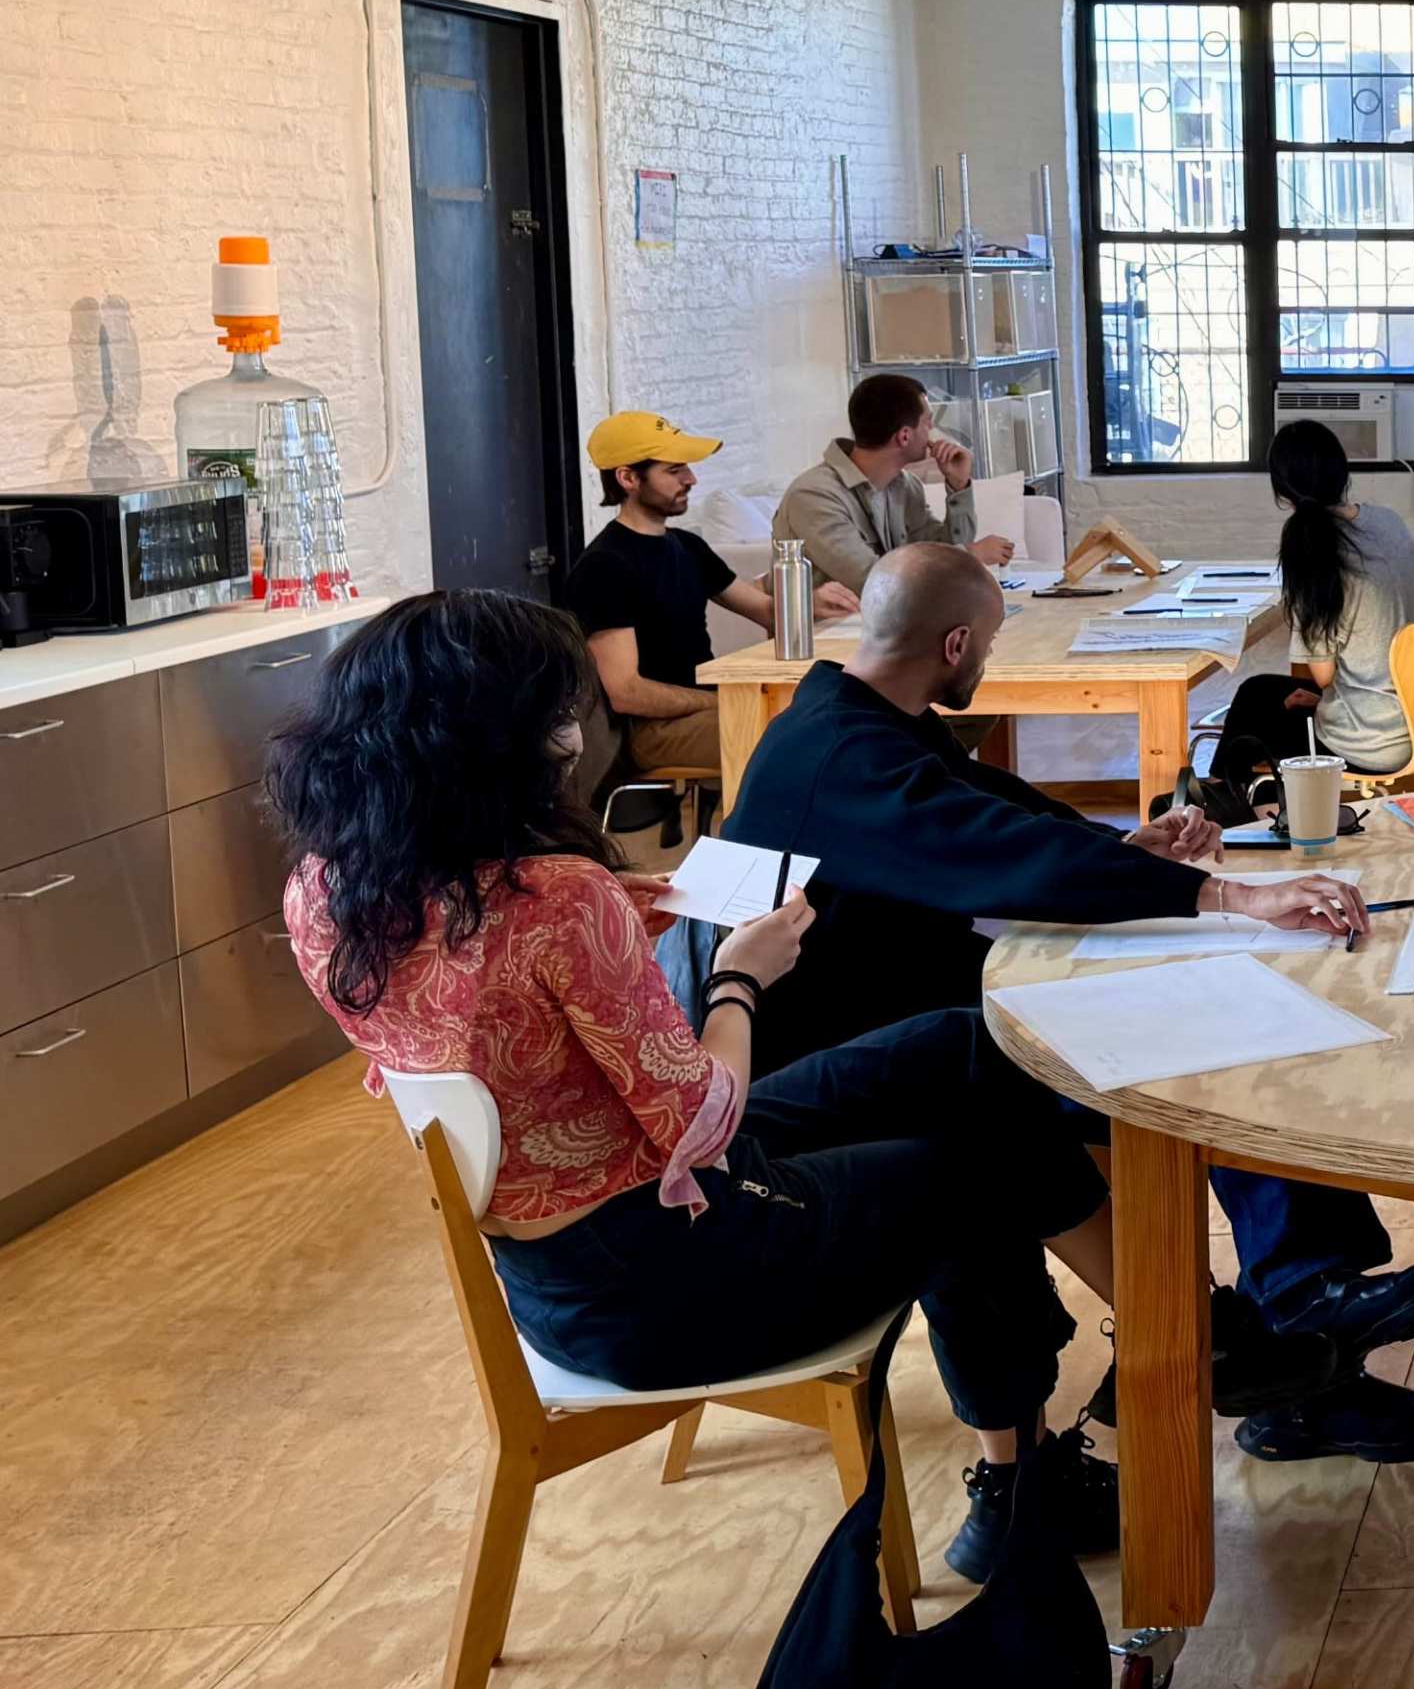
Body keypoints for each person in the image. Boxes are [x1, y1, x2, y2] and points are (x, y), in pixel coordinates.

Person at [264, 590, 1275, 1583]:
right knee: (972, 1160)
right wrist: (739, 977)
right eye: (556, 713)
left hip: (563, 1277)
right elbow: (703, 1120)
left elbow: (495, 983)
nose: (573, 735)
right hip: (681, 1267)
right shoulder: (559, 902)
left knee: (965, 1050)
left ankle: (1187, 1341)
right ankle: (1054, 1455)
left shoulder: (330, 892)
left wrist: (638, 907)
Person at [722, 545, 1414, 1465]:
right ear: (955, 643)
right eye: (989, 641)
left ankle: (1300, 1322)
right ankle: (1287, 1324)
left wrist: (1127, 847)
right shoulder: (841, 758)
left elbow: (999, 808)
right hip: (837, 1084)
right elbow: (994, 844)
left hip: (922, 1024)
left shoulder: (849, 716)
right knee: (1190, 1043)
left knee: (1217, 1016)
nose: (988, 658)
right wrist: (1229, 895)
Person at [563, 410, 852, 789]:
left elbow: (765, 611)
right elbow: (626, 693)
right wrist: (720, 702)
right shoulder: (604, 566)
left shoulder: (687, 546)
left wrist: (810, 602)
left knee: (834, 722)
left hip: (702, 712)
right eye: (674, 470)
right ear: (628, 478)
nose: (691, 479)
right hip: (650, 730)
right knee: (800, 738)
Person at [1198, 420, 1414, 816]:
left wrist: (1321, 696)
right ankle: (1233, 798)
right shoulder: (1387, 521)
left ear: (1282, 490)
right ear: (1342, 472)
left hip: (1366, 743)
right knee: (1257, 692)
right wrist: (1323, 699)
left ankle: (1232, 806)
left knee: (1257, 724)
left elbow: (1321, 674)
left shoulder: (1314, 551)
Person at [772, 372, 1016, 599]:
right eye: (928, 421)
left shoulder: (906, 486)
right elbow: (873, 581)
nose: (932, 429)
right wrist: (970, 555)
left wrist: (958, 486)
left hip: (898, 622)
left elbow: (941, 553)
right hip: (833, 628)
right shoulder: (814, 496)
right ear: (904, 436)